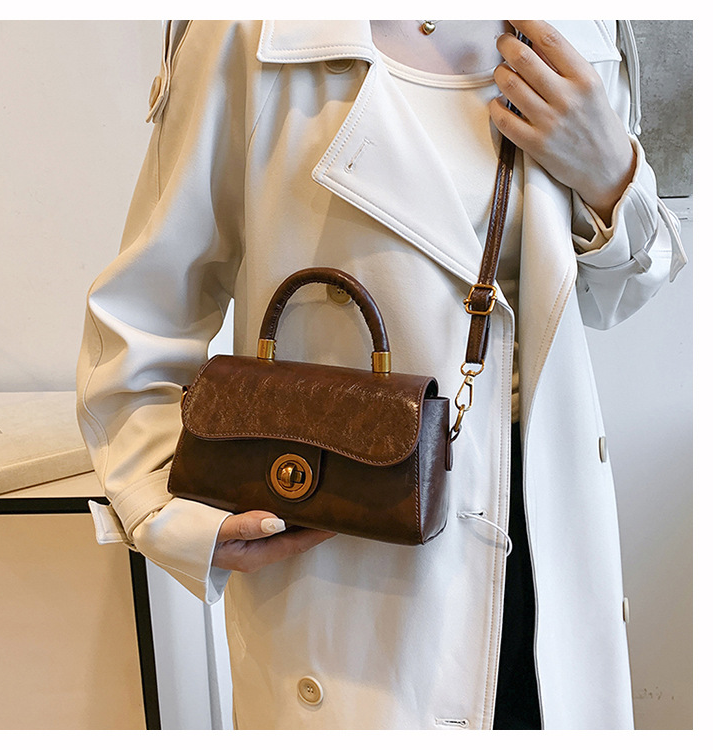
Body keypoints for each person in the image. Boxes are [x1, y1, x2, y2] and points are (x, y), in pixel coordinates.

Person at [77, 20, 687, 730]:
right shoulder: (248, 31)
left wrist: (612, 176)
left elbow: (607, 300)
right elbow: (143, 313)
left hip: (546, 532)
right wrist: (172, 511)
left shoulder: (581, 28)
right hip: (340, 540)